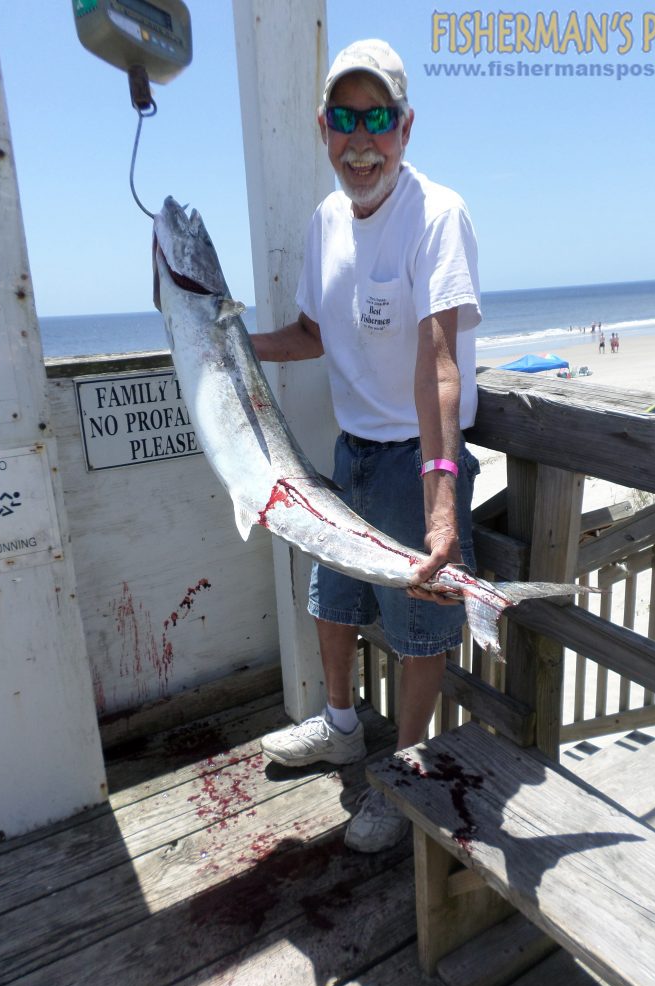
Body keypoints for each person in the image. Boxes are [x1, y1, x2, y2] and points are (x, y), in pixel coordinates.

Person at [251, 39, 482, 853]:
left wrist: (441, 497)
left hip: (416, 461)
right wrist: (232, 347)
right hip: (349, 456)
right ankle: (344, 728)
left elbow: (441, 366)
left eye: (376, 118)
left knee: (419, 627)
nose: (361, 140)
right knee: (334, 607)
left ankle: (406, 768)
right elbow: (314, 332)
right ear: (323, 129)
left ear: (405, 126)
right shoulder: (324, 222)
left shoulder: (437, 215)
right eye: (345, 119)